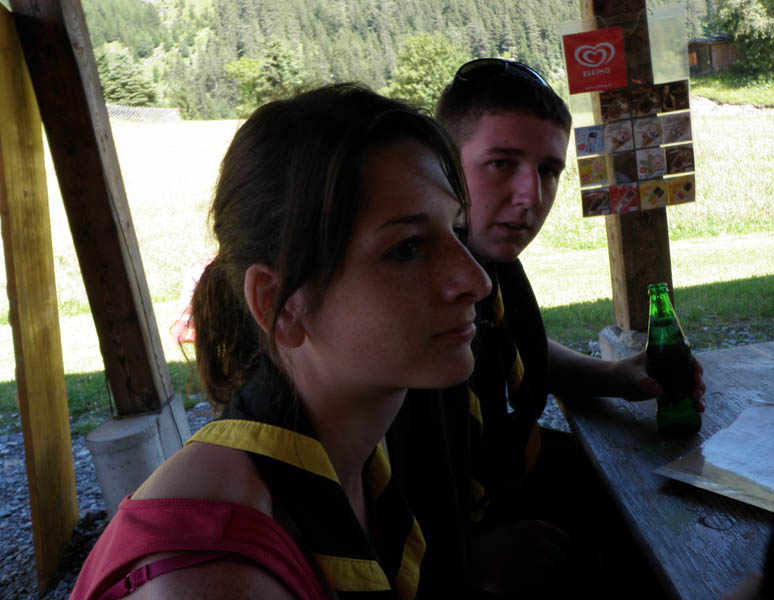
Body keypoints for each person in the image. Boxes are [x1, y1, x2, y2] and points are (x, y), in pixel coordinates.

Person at [70, 83, 491, 599]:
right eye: (406, 248)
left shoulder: (358, 452)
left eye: (457, 231)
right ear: (279, 304)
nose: (475, 280)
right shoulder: (212, 575)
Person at [388, 58, 707, 597]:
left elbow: (512, 346)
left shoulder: (492, 262)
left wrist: (613, 376)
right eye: (501, 163)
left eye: (548, 170)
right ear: (441, 164)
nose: (530, 196)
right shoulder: (411, 304)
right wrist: (461, 560)